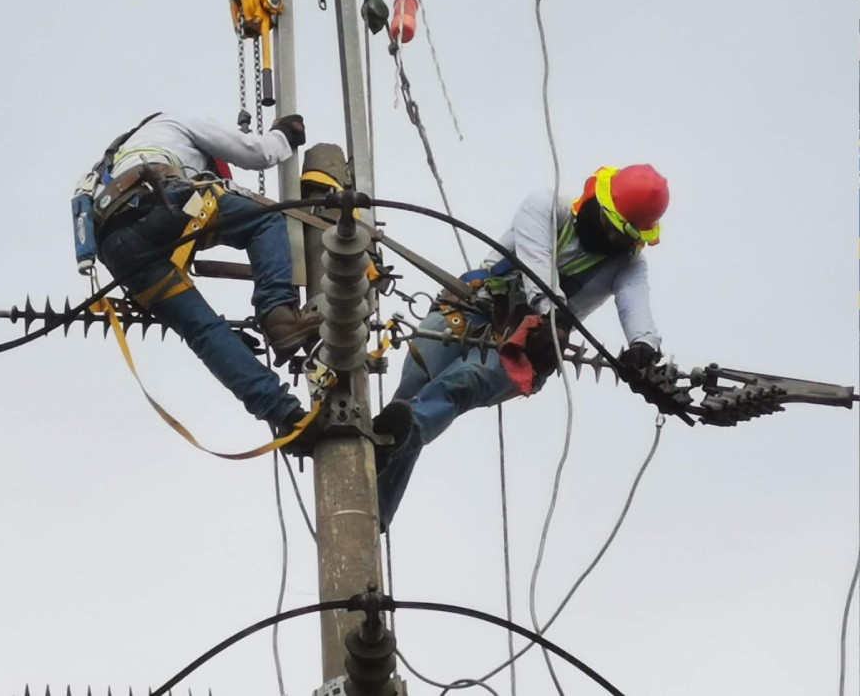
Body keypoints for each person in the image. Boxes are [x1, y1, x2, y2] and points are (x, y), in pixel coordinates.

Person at [373, 164, 671, 528]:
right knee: (409, 396)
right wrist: (550, 313)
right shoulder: (546, 208)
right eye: (609, 226)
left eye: (621, 235)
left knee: (459, 387)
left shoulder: (627, 264)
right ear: (595, 200)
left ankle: (395, 451)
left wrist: (643, 346)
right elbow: (538, 268)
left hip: (529, 345)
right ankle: (375, 501)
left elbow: (635, 303)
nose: (610, 239)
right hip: (470, 310)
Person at [92, 112, 320, 435]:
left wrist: (228, 340)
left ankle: (286, 418)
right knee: (265, 220)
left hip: (117, 248)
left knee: (204, 331)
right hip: (158, 203)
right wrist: (284, 136)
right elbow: (256, 153)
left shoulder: (112, 162)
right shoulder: (173, 123)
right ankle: (279, 315)